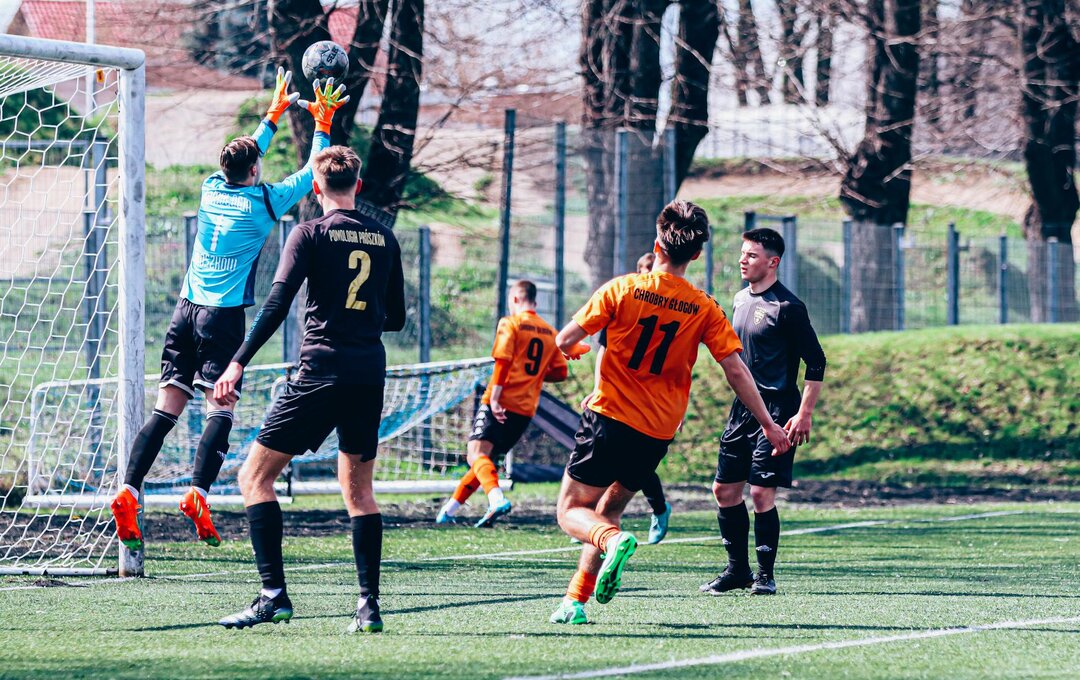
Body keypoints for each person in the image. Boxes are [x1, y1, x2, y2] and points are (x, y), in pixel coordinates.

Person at [109, 72, 346, 550]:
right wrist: (322, 124)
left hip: (184, 312)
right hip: (222, 317)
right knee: (221, 406)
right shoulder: (265, 201)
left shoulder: (210, 186)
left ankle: (128, 490)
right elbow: (313, 172)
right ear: (255, 171)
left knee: (166, 408)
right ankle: (197, 493)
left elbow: (242, 156)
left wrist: (271, 117)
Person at [549, 200, 791, 625]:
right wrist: (769, 425)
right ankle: (575, 601)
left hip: (609, 418)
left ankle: (612, 542)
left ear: (657, 244)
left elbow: (565, 339)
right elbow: (736, 371)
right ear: (695, 254)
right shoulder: (704, 306)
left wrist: (574, 348)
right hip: (656, 432)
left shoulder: (622, 289)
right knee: (607, 510)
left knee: (571, 511)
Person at [213, 144, 405, 632]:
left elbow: (277, 304)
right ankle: (368, 606)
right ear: (358, 185)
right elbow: (397, 318)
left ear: (315, 188)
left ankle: (272, 595)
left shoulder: (309, 233)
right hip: (368, 375)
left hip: (320, 371)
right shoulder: (385, 237)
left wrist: (237, 361)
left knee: (254, 478)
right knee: (359, 492)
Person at [701, 227, 825, 597]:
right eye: (742, 253)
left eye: (751, 255)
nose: (743, 260)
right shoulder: (739, 300)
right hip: (743, 410)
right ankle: (736, 571)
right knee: (724, 490)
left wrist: (804, 414)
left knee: (760, 493)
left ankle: (765, 576)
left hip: (779, 410)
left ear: (773, 262)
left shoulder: (788, 308)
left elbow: (816, 362)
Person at [435, 281, 571, 527]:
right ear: (535, 302)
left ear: (516, 299)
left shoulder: (511, 323)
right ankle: (449, 510)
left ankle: (496, 499)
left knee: (476, 455)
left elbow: (503, 361)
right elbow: (560, 373)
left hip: (502, 400)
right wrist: (533, 375)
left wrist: (495, 398)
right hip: (526, 408)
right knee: (485, 460)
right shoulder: (551, 332)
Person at [580, 251, 673, 545]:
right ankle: (591, 523)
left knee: (638, 466)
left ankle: (658, 508)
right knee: (610, 459)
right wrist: (599, 388)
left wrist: (677, 408)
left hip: (653, 404)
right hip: (619, 400)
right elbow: (604, 351)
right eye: (644, 273)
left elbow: (678, 366)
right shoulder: (627, 300)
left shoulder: (674, 310)